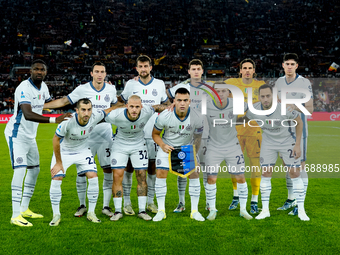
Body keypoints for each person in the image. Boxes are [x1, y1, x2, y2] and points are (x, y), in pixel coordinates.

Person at [44, 62, 120, 217]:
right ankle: (82, 205)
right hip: (86, 136)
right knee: (82, 171)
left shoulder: (111, 89)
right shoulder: (82, 89)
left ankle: (105, 206)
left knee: (107, 170)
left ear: (106, 74)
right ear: (91, 74)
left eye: (102, 72)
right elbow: (64, 101)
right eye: (97, 71)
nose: (100, 74)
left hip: (105, 132)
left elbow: (115, 105)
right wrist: (42, 106)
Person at [4, 59, 70, 227]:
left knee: (34, 170)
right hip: (17, 134)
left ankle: (25, 208)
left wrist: (69, 103)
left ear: (45, 72)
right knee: (20, 171)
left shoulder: (44, 87)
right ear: (31, 71)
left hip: (30, 136)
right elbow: (28, 113)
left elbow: (46, 104)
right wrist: (55, 120)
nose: (39, 72)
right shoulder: (24, 88)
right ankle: (15, 215)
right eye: (36, 69)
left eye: (42, 70)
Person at [245, 84, 309, 221]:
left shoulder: (285, 108)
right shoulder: (253, 110)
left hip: (287, 140)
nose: (265, 99)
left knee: (295, 173)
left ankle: (301, 210)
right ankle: (265, 210)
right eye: (262, 96)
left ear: (273, 96)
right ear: (259, 97)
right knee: (266, 173)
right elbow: (243, 118)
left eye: (268, 96)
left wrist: (298, 145)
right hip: (268, 142)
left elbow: (299, 122)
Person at [118, 55, 170, 215]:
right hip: (133, 134)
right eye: (140, 66)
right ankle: (127, 203)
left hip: (153, 133)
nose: (143, 69)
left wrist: (156, 108)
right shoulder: (131, 84)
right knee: (129, 168)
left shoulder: (160, 84)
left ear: (151, 67)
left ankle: (150, 202)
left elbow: (167, 104)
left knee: (151, 168)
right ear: (137, 68)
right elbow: (121, 103)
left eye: (146, 66)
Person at [105, 95, 168, 221]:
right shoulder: (116, 115)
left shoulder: (146, 112)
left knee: (141, 176)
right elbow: (100, 115)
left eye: (137, 107)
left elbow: (157, 107)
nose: (134, 110)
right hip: (119, 146)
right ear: (126, 106)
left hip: (139, 145)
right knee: (117, 176)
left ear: (141, 107)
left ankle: (142, 210)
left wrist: (171, 106)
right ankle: (118, 211)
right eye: (132, 106)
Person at [49, 99, 111, 226]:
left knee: (93, 177)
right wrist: (59, 162)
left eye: (89, 109)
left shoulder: (95, 116)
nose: (86, 113)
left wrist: (121, 104)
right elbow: (55, 140)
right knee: (56, 178)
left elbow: (108, 111)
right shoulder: (68, 122)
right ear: (77, 110)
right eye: (83, 110)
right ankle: (56, 215)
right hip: (65, 151)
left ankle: (91, 213)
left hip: (83, 151)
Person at [152, 88, 205, 222]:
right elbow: (155, 134)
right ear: (174, 101)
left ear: (189, 101)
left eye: (185, 100)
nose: (182, 103)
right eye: (179, 100)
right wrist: (163, 145)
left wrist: (195, 155)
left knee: (194, 172)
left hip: (187, 147)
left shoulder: (197, 117)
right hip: (168, 147)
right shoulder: (164, 115)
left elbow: (198, 137)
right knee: (161, 172)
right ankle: (161, 210)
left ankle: (194, 211)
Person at [166, 59, 211, 213]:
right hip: (184, 132)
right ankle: (181, 202)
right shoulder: (182, 87)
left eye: (199, 68)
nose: (196, 71)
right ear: (189, 71)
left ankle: (208, 203)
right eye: (193, 69)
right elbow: (167, 98)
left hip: (204, 133)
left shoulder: (209, 88)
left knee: (205, 167)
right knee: (183, 168)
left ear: (202, 71)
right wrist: (171, 104)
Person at [204, 83, 253, 220]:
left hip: (233, 146)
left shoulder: (236, 103)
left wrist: (240, 122)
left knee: (240, 178)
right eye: (217, 91)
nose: (220, 93)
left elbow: (251, 109)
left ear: (228, 93)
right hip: (213, 147)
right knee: (211, 178)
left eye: (223, 91)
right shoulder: (206, 105)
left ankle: (243, 210)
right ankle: (212, 209)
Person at [224, 58, 265, 214]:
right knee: (234, 166)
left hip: (255, 132)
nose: (247, 70)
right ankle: (236, 197)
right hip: (235, 132)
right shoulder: (230, 82)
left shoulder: (260, 86)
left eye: (250, 68)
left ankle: (254, 200)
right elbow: (215, 93)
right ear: (240, 70)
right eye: (244, 68)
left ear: (254, 71)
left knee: (255, 165)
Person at [275, 53, 313, 216]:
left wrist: (293, 106)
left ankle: (300, 202)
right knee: (288, 166)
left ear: (297, 66)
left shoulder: (304, 82)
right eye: (287, 64)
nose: (289, 66)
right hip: (283, 131)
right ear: (282, 65)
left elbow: (310, 109)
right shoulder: (278, 82)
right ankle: (291, 199)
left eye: (292, 64)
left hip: (299, 130)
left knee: (299, 165)